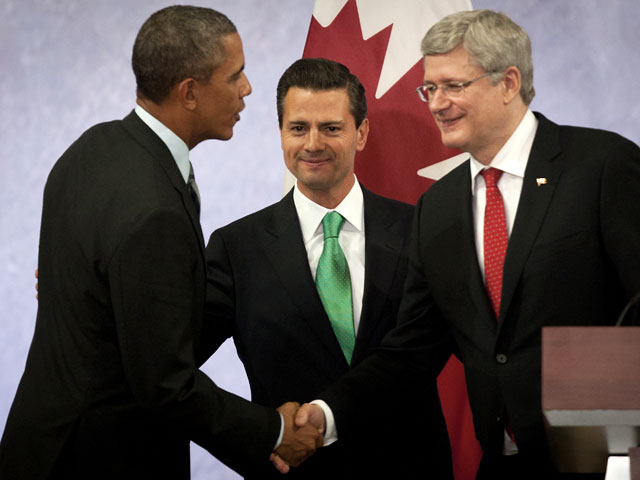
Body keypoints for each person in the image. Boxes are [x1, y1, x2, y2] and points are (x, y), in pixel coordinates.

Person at [295, 9, 640, 479]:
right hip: (502, 462)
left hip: (608, 458)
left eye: (453, 86)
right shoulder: (437, 208)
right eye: (429, 89)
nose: (437, 104)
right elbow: (413, 349)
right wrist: (326, 413)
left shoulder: (601, 166)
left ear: (509, 82)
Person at [0, 6, 321, 479]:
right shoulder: (155, 211)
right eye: (234, 75)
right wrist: (272, 433)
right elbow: (165, 385)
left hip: (40, 447)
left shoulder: (92, 148)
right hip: (101, 459)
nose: (247, 88)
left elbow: (104, 302)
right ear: (188, 92)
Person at [201, 58, 452, 479]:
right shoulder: (235, 248)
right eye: (298, 128)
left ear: (362, 133)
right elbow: (171, 366)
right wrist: (255, 436)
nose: (313, 144)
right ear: (281, 133)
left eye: (331, 128)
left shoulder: (421, 231)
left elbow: (432, 347)